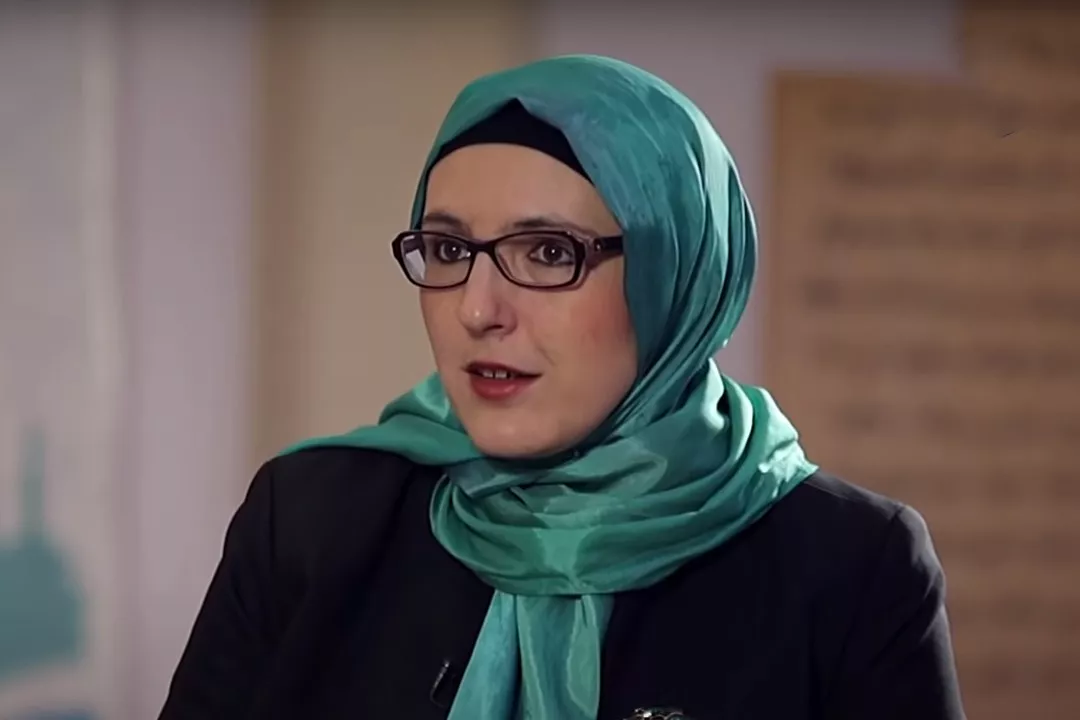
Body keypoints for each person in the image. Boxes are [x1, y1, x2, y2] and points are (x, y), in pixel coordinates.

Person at [158, 55, 965, 720]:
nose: (477, 309)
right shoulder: (308, 521)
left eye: (548, 253)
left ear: (672, 277)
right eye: (448, 250)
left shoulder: (851, 568)